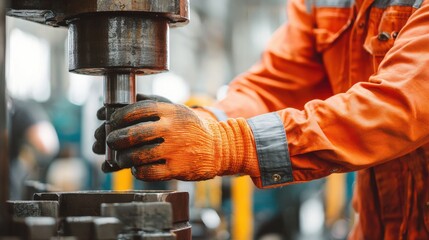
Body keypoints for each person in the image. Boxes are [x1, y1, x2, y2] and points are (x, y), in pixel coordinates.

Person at [93, 0, 429, 238]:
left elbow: (398, 107)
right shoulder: (325, 3)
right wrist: (203, 124)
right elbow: (276, 87)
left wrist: (227, 144)